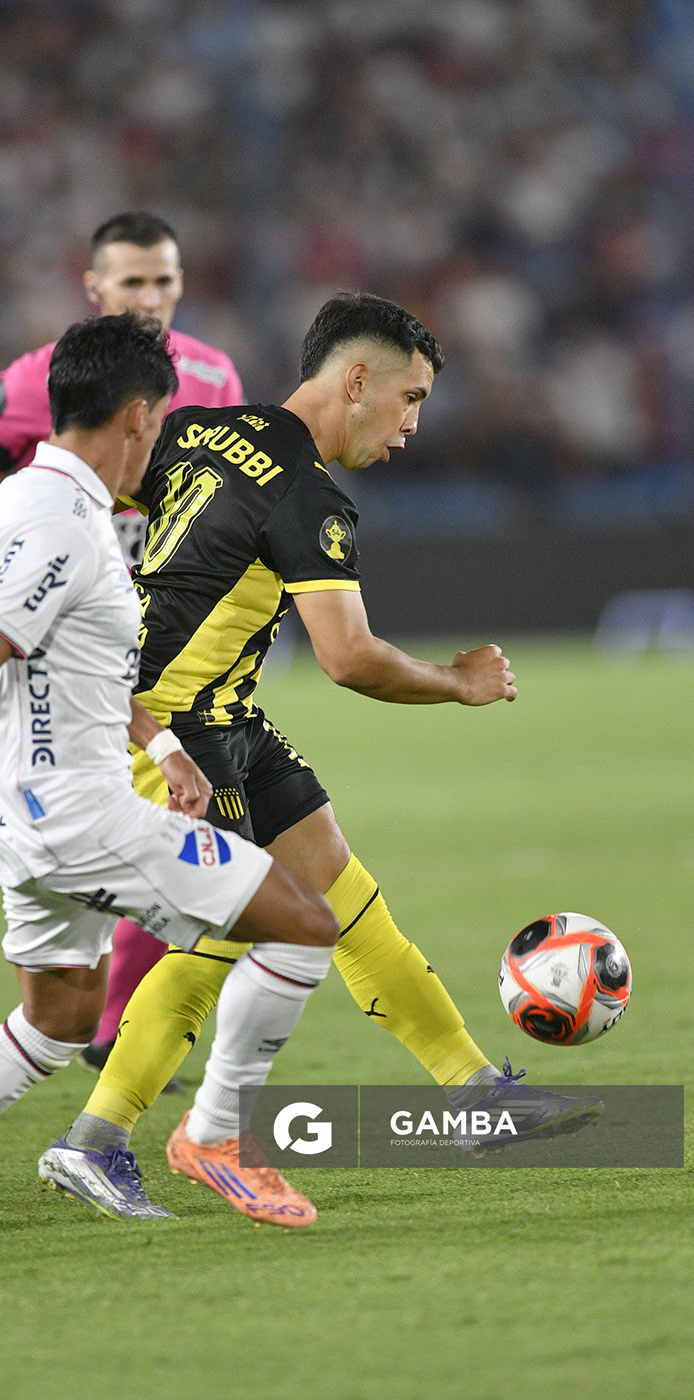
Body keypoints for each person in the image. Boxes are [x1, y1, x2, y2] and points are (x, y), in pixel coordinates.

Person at [40, 292, 604, 1223]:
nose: (412, 426)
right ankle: (95, 1141)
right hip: (173, 736)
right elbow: (349, 660)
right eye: (409, 398)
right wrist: (457, 682)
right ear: (355, 381)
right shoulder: (306, 495)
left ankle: (474, 1094)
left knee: (337, 886)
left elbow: (106, 500)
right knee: (225, 935)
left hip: (221, 716)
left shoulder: (195, 429)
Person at [0, 314, 338, 1247]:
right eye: (165, 420)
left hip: (29, 808)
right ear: (138, 415)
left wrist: (169, 751)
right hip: (72, 812)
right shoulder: (63, 522)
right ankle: (217, 1137)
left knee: (59, 1017)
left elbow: (68, 663)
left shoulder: (36, 501)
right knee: (306, 925)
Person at [0, 212, 244, 1129]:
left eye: (163, 281)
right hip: (55, 639)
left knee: (157, 823)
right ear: (94, 289)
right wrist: (4, 618)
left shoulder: (213, 377)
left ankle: (107, 1031)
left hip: (149, 648)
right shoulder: (40, 385)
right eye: (130, 285)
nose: (149, 300)